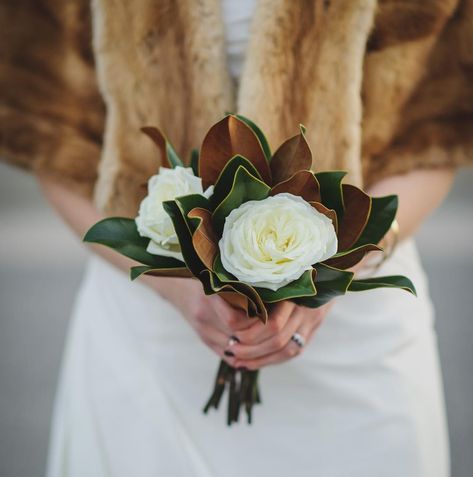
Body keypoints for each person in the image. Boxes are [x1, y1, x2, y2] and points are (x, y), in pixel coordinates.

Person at [1, 0, 472, 476]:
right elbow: (51, 141)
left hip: (352, 342)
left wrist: (336, 270)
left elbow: (432, 136)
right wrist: (175, 288)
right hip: (153, 331)